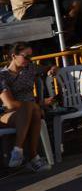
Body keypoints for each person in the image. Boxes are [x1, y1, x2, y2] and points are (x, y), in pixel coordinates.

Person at [0, 43, 53, 172]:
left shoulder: (30, 68)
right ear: (14, 56)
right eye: (26, 56)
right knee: (31, 108)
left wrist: (52, 68)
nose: (29, 60)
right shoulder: (2, 76)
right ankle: (33, 158)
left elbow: (46, 68)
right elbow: (9, 104)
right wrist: (35, 104)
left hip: (31, 111)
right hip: (7, 114)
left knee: (33, 111)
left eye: (31, 56)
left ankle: (21, 152)